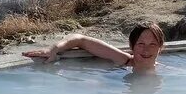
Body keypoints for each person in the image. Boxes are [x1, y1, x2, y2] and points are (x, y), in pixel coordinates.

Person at [21, 22, 165, 74]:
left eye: (152, 44)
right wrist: (53, 50)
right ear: (132, 46)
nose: (146, 50)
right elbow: (80, 39)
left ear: (160, 48)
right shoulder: (123, 60)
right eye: (141, 44)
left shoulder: (168, 72)